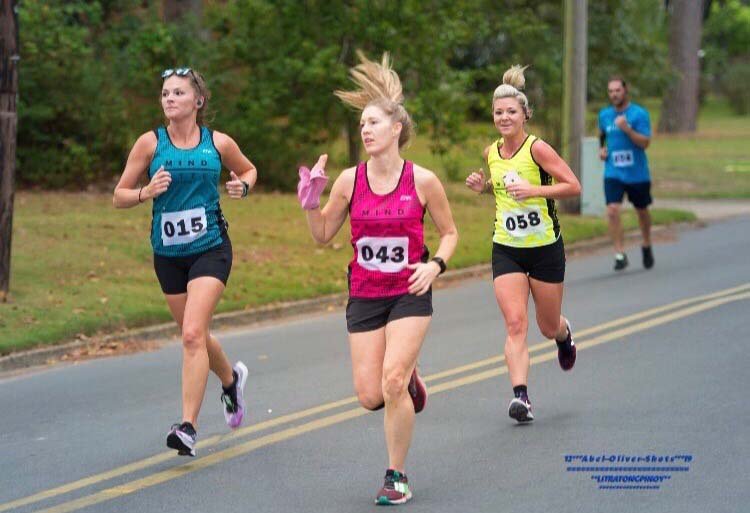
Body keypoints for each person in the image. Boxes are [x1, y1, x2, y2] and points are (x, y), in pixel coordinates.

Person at [297, 52, 458, 505]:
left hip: (409, 291)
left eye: (373, 122)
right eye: (362, 123)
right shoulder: (350, 180)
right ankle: (407, 380)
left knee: (389, 381)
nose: (365, 129)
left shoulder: (423, 181)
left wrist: (435, 265)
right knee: (371, 395)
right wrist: (311, 204)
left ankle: (396, 476)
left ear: (396, 130)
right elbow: (323, 235)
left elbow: (450, 233)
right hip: (364, 294)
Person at [113, 67, 256, 457]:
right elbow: (119, 195)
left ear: (198, 101)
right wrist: (146, 192)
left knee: (192, 334)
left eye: (178, 92)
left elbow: (248, 169)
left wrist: (242, 186)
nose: (169, 99)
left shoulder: (218, 142)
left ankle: (188, 427)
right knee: (196, 335)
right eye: (164, 93)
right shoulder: (150, 143)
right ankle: (230, 382)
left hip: (211, 248)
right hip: (168, 255)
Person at [465, 65, 580, 423]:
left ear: (525, 115)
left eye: (511, 111)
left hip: (545, 247)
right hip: (507, 248)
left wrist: (535, 190)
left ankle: (564, 335)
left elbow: (573, 185)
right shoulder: (491, 152)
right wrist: (481, 186)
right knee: (515, 324)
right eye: (498, 112)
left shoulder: (538, 149)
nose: (504, 117)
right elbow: (502, 192)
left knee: (546, 327)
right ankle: (521, 398)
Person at [598, 76, 654, 271]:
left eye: (617, 90)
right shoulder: (605, 115)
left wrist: (627, 129)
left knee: (642, 211)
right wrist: (602, 151)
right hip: (613, 172)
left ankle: (646, 244)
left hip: (637, 173)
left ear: (625, 91)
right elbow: (603, 137)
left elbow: (645, 143)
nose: (614, 94)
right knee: (612, 210)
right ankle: (620, 253)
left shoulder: (639, 114)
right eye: (611, 91)